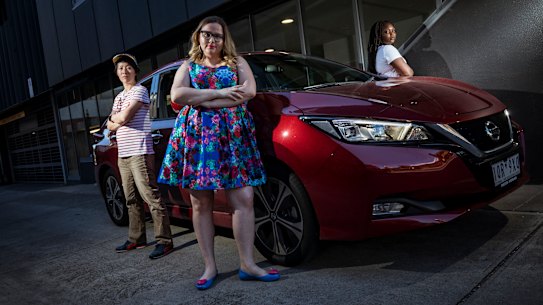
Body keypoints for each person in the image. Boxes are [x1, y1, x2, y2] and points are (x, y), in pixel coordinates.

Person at [158, 16, 279, 290]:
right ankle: (209, 266)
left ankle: (247, 264)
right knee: (201, 203)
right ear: (198, 37)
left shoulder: (237, 62)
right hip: (200, 138)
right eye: (206, 34)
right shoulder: (188, 65)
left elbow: (248, 92)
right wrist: (223, 92)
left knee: (244, 197)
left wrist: (201, 96)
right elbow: (177, 95)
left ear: (225, 40)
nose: (211, 40)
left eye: (217, 35)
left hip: (234, 137)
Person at [108, 53, 174, 259]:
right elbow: (110, 124)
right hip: (124, 153)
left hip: (139, 150)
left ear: (135, 70)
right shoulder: (119, 97)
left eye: (128, 67)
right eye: (120, 69)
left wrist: (117, 119)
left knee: (151, 196)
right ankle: (136, 238)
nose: (124, 72)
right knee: (130, 198)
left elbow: (124, 117)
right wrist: (117, 120)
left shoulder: (140, 91)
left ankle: (164, 241)